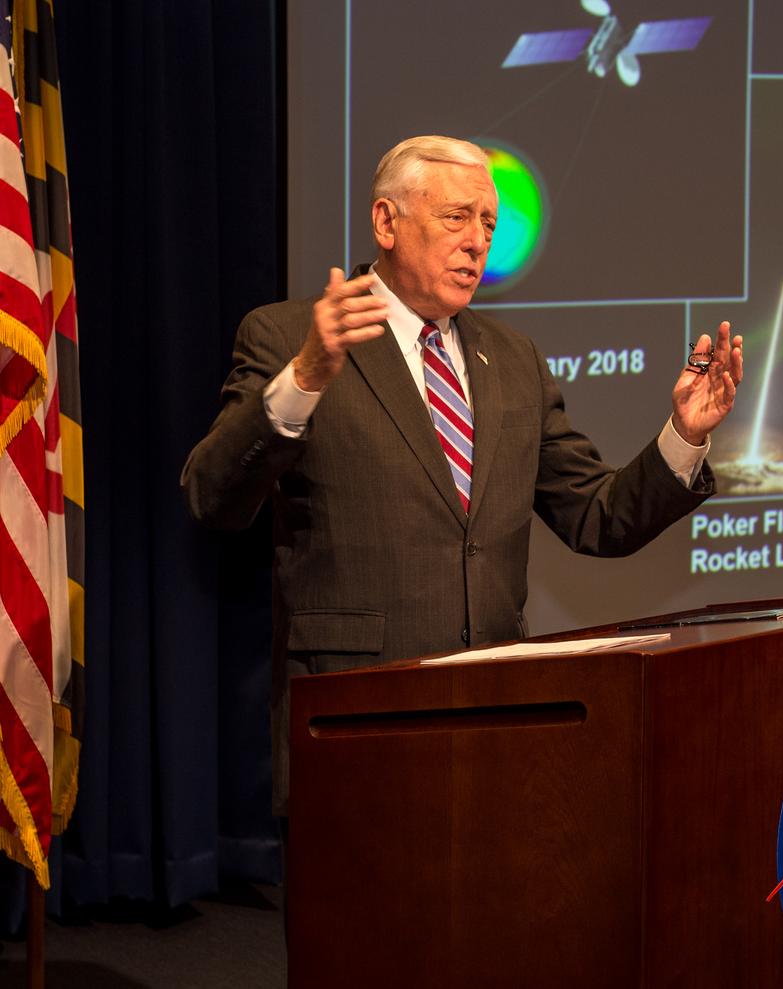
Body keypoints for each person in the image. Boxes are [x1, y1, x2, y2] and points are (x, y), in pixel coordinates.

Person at [182, 136, 745, 812]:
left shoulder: (511, 359)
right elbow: (212, 496)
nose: (478, 242)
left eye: (488, 223)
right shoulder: (289, 336)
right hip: (358, 722)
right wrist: (302, 380)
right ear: (386, 222)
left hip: (498, 722)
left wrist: (683, 436)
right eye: (456, 218)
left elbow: (598, 516)